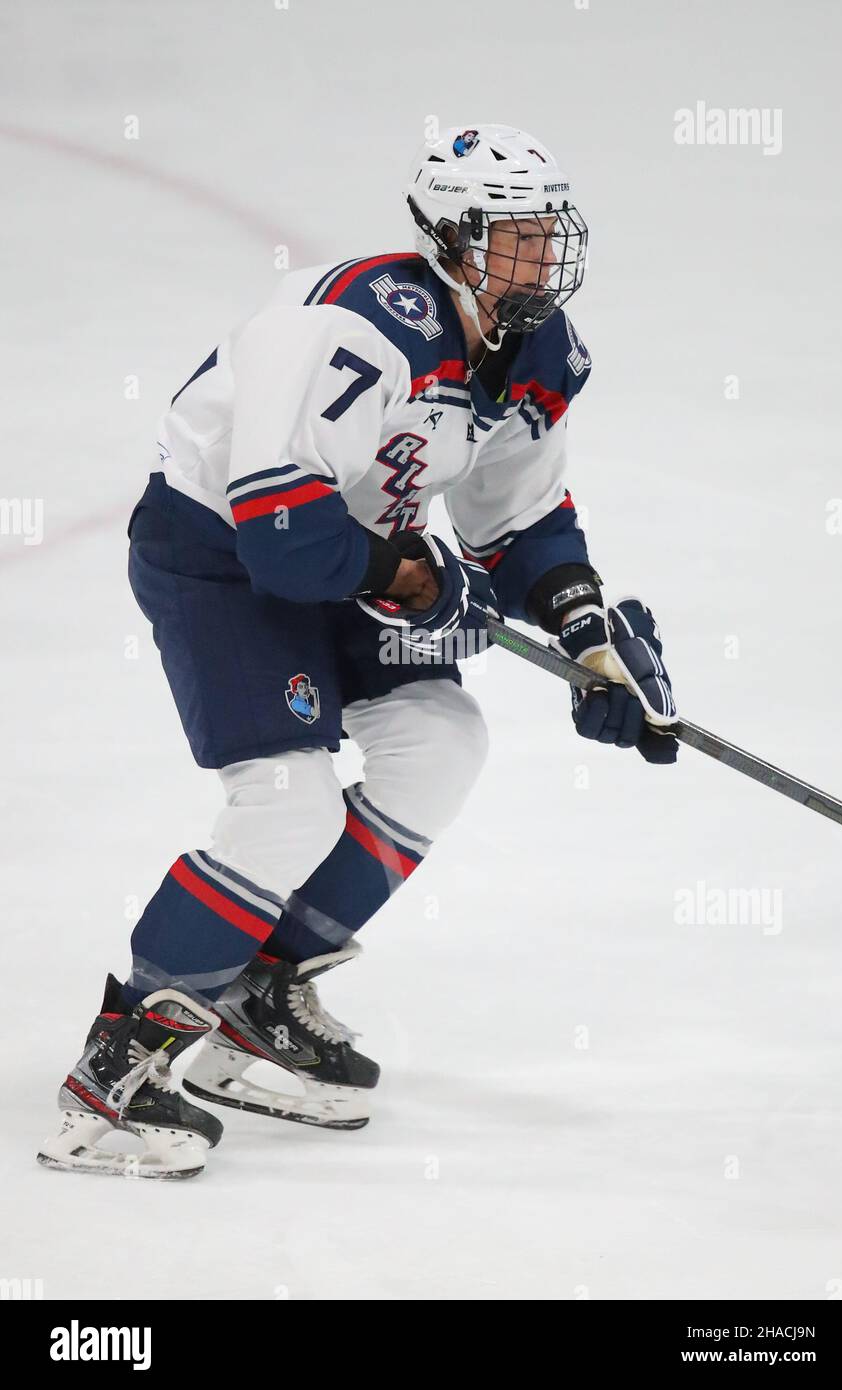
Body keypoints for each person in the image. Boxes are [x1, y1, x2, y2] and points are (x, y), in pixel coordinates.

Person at [38, 124, 677, 1180]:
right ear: (449, 238)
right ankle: (115, 1075)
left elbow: (516, 519)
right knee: (287, 799)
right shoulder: (357, 325)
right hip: (224, 559)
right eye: (513, 236)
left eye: (547, 233)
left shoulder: (540, 353)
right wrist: (424, 583)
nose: (540, 258)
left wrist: (585, 631)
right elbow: (280, 533)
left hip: (350, 550)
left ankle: (258, 995)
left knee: (441, 738)